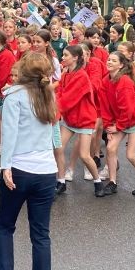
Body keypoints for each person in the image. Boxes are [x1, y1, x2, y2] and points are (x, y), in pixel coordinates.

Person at [0, 53, 58, 270]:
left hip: (20, 168)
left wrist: (6, 167)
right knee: (41, 235)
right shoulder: (48, 94)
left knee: (5, 226)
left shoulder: (14, 96)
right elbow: (53, 132)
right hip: (46, 170)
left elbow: (9, 134)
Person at [54, 45, 105, 197]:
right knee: (58, 148)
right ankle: (61, 181)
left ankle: (97, 181)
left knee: (84, 155)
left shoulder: (81, 76)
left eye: (66, 55)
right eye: (63, 55)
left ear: (75, 58)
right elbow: (60, 93)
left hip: (84, 119)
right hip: (70, 119)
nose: (62, 58)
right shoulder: (65, 74)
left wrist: (52, 112)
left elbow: (69, 99)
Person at [101, 52, 135, 196]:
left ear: (121, 65)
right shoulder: (106, 81)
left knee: (130, 155)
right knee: (110, 148)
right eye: (109, 59)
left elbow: (128, 109)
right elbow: (105, 107)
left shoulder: (124, 81)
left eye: (113, 60)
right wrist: (108, 127)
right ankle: (112, 182)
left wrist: (118, 127)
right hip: (121, 120)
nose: (109, 62)